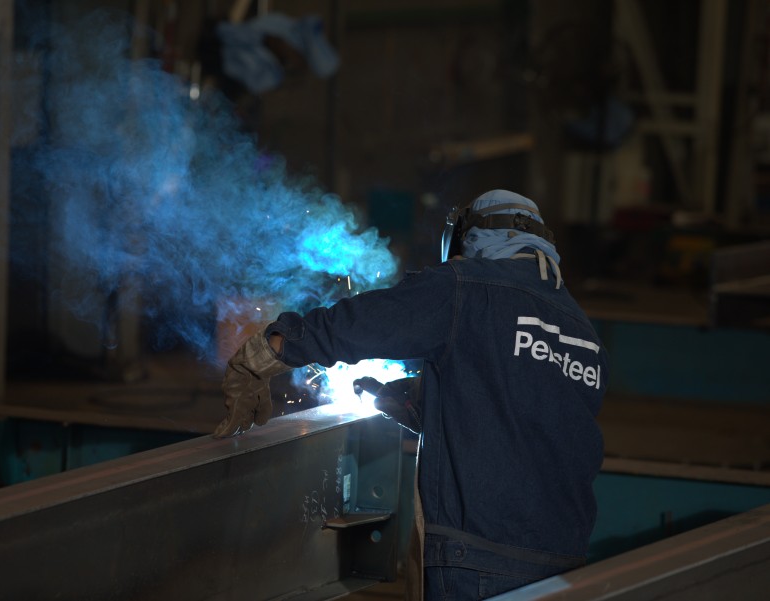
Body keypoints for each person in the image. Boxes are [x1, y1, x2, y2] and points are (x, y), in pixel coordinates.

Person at [214, 189, 607, 600]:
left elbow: (363, 322)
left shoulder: (465, 286)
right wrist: (422, 405)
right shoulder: (582, 331)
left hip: (477, 559)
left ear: (469, 239)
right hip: (565, 563)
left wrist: (268, 352)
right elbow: (525, 418)